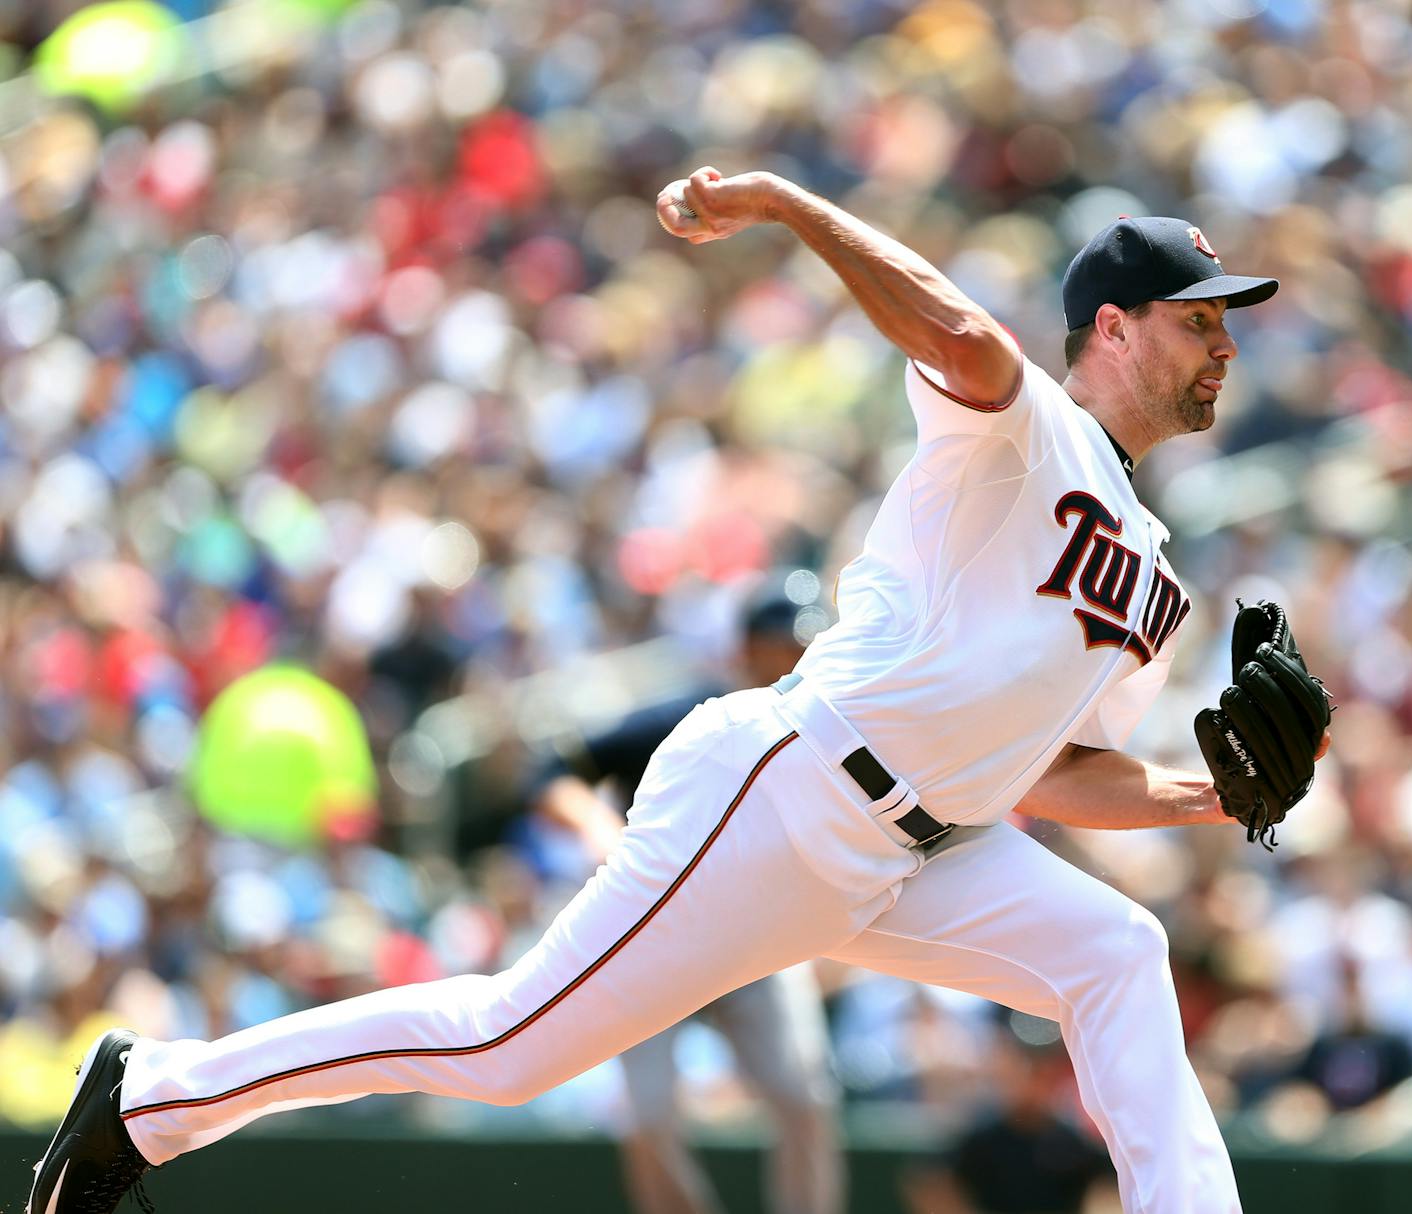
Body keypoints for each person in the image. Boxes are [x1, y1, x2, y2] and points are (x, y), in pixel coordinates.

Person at [30, 166, 1314, 1214]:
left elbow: (1056, 772)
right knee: (500, 1047)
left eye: (1224, 324)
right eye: (1196, 317)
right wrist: (788, 206)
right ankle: (152, 1094)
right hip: (790, 785)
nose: (1220, 346)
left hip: (923, 849)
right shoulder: (1025, 426)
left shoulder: (1151, 575)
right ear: (1111, 326)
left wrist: (1216, 797)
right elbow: (959, 332)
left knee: (1117, 948)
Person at [529, 590, 843, 1214]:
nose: (788, 661)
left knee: (806, 1097)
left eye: (800, 648)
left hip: (756, 942)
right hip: (654, 938)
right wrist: (594, 818)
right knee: (646, 1118)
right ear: (743, 652)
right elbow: (551, 769)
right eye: (777, 648)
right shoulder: (696, 718)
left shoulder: (834, 731)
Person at [900, 1024, 1114, 1214]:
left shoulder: (1071, 1141)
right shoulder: (982, 1137)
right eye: (1027, 1067)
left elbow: (1110, 1188)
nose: (1034, 1078)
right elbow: (927, 1181)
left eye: (1041, 1070)